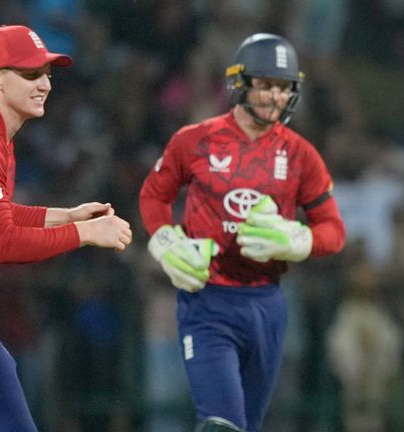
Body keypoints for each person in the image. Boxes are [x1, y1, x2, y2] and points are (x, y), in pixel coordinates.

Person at [0, 25, 133, 431]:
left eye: (46, 73)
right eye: (31, 74)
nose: (45, 84)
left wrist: (67, 215)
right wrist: (83, 235)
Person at [139, 33, 345, 432]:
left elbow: (333, 230)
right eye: (265, 84)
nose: (274, 96)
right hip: (207, 299)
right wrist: (165, 242)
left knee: (245, 427)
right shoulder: (195, 140)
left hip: (268, 303)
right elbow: (153, 195)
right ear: (240, 82)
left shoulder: (301, 155)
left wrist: (298, 240)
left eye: (283, 87)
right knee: (222, 423)